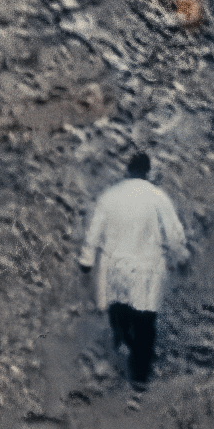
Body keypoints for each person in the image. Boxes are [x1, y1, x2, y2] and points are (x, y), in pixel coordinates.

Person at [78, 152, 188, 386]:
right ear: (147, 172)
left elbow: (94, 231)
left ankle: (122, 342)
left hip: (116, 267)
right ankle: (139, 375)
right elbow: (174, 234)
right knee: (145, 321)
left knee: (119, 310)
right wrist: (182, 257)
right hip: (147, 269)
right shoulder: (158, 198)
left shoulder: (110, 196)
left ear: (127, 170)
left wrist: (86, 260)